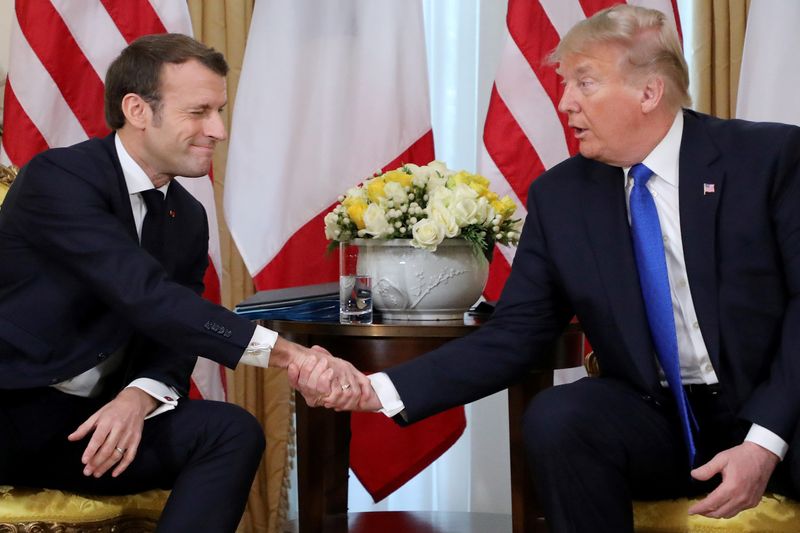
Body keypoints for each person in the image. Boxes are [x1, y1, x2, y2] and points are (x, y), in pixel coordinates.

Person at [291, 5, 800, 532]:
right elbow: (517, 334)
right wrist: (378, 390)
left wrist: (763, 442)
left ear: (649, 93)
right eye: (563, 84)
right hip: (658, 418)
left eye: (585, 83)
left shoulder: (766, 158)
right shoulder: (562, 196)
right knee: (559, 418)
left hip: (778, 409)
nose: (564, 103)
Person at [0, 33, 367, 533]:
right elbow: (147, 296)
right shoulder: (60, 178)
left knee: (231, 431)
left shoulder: (187, 216)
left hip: (94, 426)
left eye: (218, 110)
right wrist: (292, 356)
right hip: (12, 409)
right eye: (198, 112)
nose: (217, 129)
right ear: (137, 109)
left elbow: (173, 337)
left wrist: (139, 396)